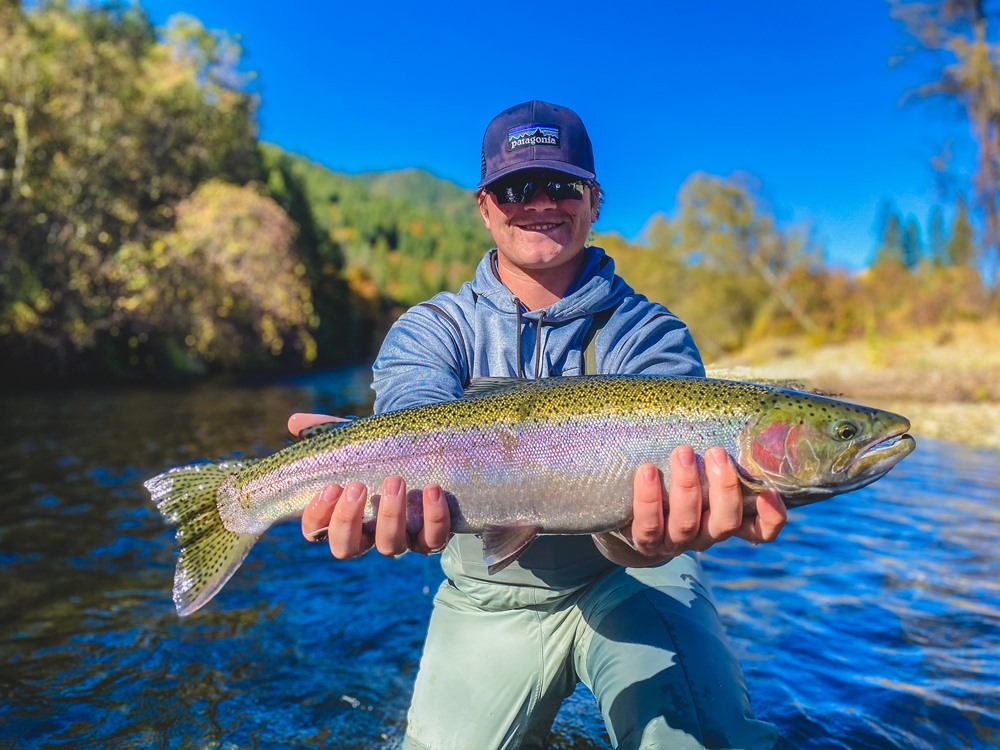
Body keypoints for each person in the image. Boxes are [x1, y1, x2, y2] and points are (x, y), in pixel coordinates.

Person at [290, 100, 788, 750]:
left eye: (561, 184)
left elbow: (650, 533)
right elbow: (412, 417)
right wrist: (362, 466)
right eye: (516, 187)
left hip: (640, 578)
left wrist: (655, 540)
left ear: (595, 198)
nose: (539, 202)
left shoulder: (651, 334)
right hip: (489, 589)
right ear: (484, 204)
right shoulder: (432, 328)